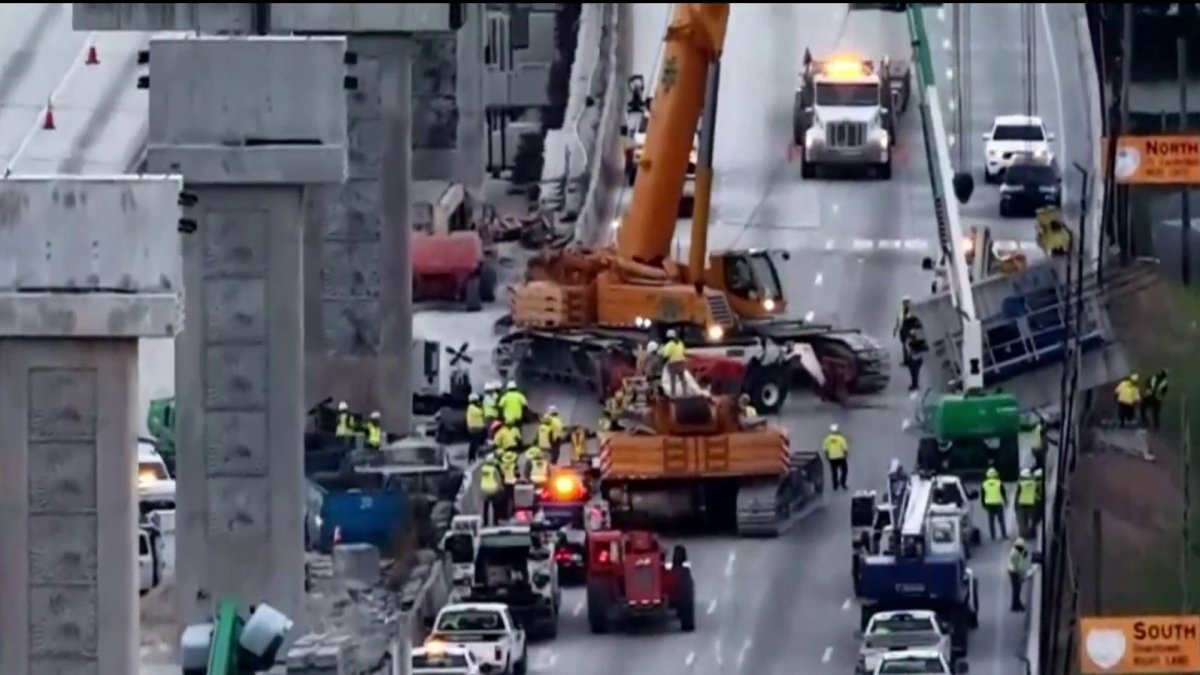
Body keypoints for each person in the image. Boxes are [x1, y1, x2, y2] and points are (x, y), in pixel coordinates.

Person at [981, 466, 1008, 540]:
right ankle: (1004, 535)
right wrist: (1005, 501)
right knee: (1001, 520)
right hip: (998, 503)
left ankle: (993, 536)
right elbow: (1003, 493)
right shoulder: (999, 482)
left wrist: (983, 504)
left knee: (991, 521)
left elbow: (983, 495)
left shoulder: (984, 484)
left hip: (989, 504)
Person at [901, 315, 928, 392]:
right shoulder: (915, 325)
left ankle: (915, 384)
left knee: (914, 370)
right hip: (916, 353)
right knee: (915, 370)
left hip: (914, 353)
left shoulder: (907, 326)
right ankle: (915, 384)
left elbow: (905, 341)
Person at [659, 329, 688, 396]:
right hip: (681, 362)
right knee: (682, 378)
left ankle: (673, 394)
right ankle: (685, 392)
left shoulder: (669, 344)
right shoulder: (680, 343)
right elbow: (683, 351)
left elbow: (665, 354)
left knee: (673, 379)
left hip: (673, 363)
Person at [822, 424, 849, 490]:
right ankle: (843, 483)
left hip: (832, 458)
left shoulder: (827, 439)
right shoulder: (840, 438)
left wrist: (827, 456)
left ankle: (835, 486)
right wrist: (845, 455)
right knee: (844, 470)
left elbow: (825, 449)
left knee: (834, 472)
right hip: (840, 457)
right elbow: (845, 448)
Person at [1007, 538, 1032, 611]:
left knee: (1016, 588)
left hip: (1012, 570)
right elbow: (1020, 567)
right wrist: (1024, 576)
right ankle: (1015, 605)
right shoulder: (1017, 554)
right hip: (1014, 572)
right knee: (1017, 589)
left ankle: (1016, 604)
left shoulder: (1014, 550)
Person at [479, 455, 503, 525]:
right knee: (496, 506)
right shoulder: (494, 469)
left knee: (485, 506)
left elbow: (480, 478)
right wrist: (500, 488)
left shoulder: (483, 469)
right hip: (493, 489)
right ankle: (496, 521)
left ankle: (485, 522)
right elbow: (498, 480)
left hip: (485, 489)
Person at [1015, 468, 1039, 538]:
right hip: (1032, 503)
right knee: (1031, 520)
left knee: (1022, 520)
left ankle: (1024, 534)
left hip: (1022, 503)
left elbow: (1017, 495)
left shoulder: (1020, 484)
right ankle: (1032, 533)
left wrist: (1015, 506)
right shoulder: (1035, 483)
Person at [498, 447, 520, 519]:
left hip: (505, 483)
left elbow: (501, 474)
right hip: (512, 483)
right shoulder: (514, 465)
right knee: (512, 499)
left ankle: (504, 515)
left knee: (505, 500)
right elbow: (517, 474)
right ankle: (512, 513)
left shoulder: (502, 465)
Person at [466, 394, 487, 463]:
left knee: (474, 443)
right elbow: (481, 413)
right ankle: (473, 457)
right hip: (476, 427)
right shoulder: (472, 408)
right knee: (475, 443)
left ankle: (472, 457)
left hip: (475, 427)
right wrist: (481, 406)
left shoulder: (471, 407)